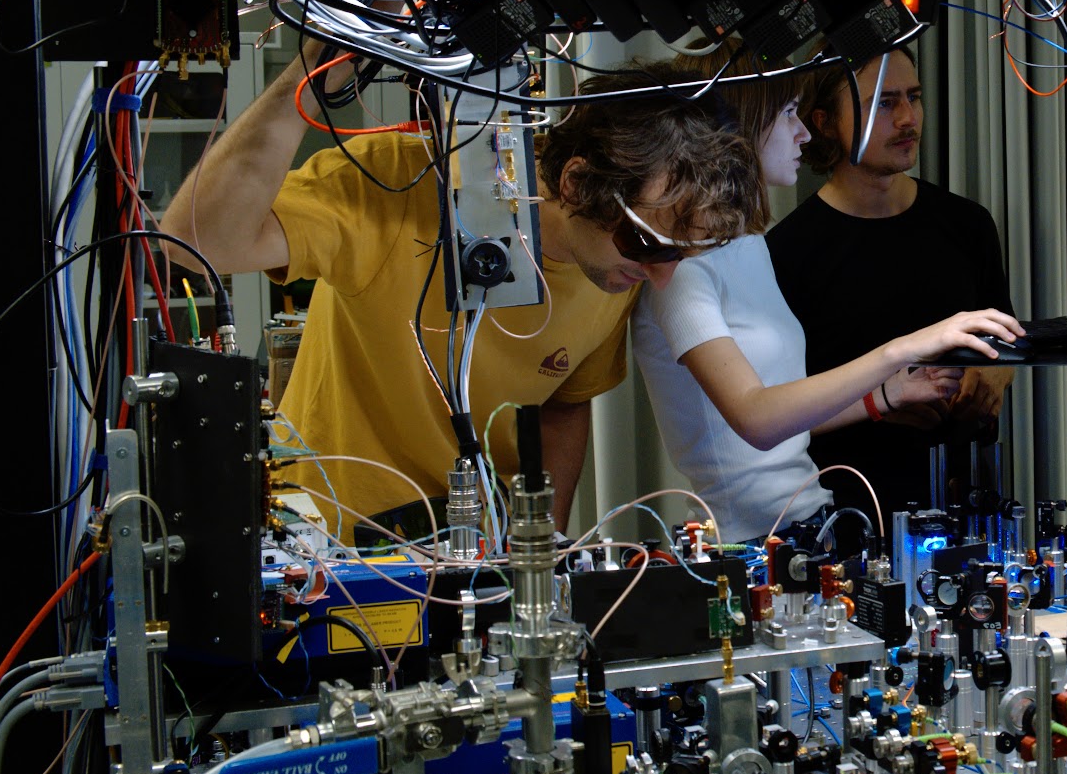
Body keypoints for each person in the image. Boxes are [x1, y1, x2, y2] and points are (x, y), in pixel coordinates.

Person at [164, 43, 761, 536]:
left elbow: (564, 404)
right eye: (650, 245)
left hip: (475, 550)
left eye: (681, 254)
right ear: (578, 184)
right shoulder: (393, 185)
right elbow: (192, 241)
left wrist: (541, 550)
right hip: (336, 544)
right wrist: (313, 70)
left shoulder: (615, 264)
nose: (662, 276)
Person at [632, 48, 1023, 541]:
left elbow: (790, 411)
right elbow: (757, 419)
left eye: (914, 97)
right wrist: (904, 349)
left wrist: (887, 394)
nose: (802, 132)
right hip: (750, 543)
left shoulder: (748, 247)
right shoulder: (679, 272)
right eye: (788, 114)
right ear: (737, 129)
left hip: (814, 519)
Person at [768, 48, 1016, 523]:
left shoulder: (967, 224)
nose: (907, 118)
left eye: (914, 97)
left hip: (963, 502)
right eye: (884, 103)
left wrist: (995, 375)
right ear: (824, 122)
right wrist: (879, 401)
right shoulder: (787, 252)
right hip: (846, 510)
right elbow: (773, 416)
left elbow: (1003, 336)